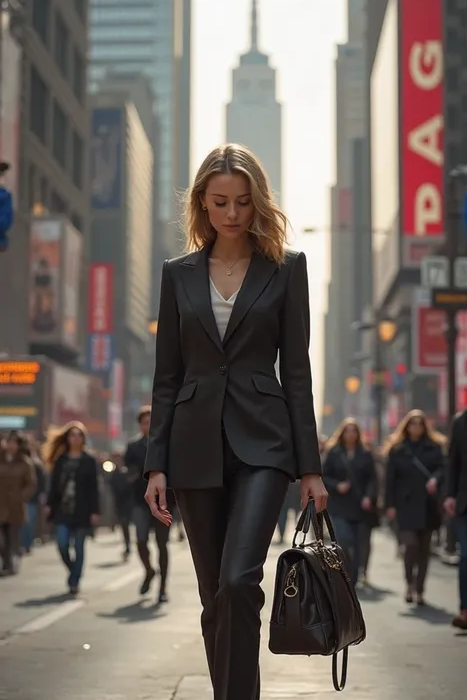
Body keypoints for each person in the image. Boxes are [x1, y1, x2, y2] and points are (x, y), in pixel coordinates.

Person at [143, 143, 327, 700]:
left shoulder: (287, 269)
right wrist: (156, 464)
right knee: (213, 598)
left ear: (256, 204)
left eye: (243, 203)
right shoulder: (177, 276)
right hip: (193, 447)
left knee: (238, 580)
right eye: (220, 202)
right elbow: (167, 378)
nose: (231, 213)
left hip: (265, 446)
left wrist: (310, 468)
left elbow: (297, 373)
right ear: (202, 202)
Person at [384, 410, 445, 606]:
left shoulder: (434, 448)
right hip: (406, 505)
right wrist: (390, 505)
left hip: (428, 505)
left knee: (425, 550)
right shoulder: (398, 449)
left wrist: (436, 479)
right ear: (406, 426)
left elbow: (444, 468)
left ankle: (420, 590)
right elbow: (390, 480)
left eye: (420, 424)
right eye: (413, 424)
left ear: (425, 426)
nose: (416, 427)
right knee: (410, 547)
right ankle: (409, 584)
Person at [125, 406, 175, 602]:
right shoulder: (133, 447)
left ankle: (163, 588)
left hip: (164, 502)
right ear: (140, 425)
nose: (149, 425)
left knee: (162, 544)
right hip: (140, 500)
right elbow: (127, 471)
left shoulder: (167, 444)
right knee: (140, 540)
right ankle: (148, 570)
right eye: (145, 422)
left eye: (151, 421)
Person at [44, 421, 100, 596]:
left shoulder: (89, 460)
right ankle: (73, 570)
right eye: (72, 435)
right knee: (61, 544)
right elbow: (53, 485)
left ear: (83, 439)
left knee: (79, 547)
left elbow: (94, 488)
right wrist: (49, 504)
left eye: (79, 435)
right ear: (67, 438)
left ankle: (74, 581)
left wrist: (95, 511)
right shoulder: (61, 460)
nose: (75, 438)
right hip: (63, 509)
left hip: (83, 510)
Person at [322, 418, 378, 586]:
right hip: (339, 505)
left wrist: (369, 496)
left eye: (354, 430)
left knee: (360, 544)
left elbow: (373, 479)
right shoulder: (334, 453)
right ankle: (347, 574)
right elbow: (324, 476)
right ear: (342, 433)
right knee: (344, 540)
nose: (351, 434)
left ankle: (354, 577)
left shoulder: (365, 454)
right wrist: (337, 485)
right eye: (347, 430)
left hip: (360, 506)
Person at [444, 380, 467, 630]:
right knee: (466, 556)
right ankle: (465, 610)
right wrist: (449, 495)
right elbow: (451, 462)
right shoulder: (461, 421)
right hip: (465, 502)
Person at [0, 431, 36, 574]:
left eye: (14, 443)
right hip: (0, 503)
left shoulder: (25, 462)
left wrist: (20, 496)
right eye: (9, 442)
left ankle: (9, 564)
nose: (10, 445)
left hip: (15, 506)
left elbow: (31, 484)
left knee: (11, 537)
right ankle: (6, 561)